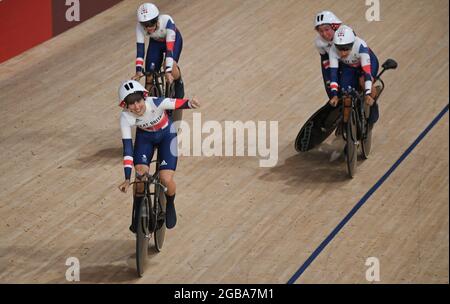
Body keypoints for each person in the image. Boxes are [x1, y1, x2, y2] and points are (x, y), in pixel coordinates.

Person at [117, 80, 200, 231]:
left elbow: (176, 103)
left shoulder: (155, 102)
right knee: (140, 177)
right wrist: (127, 178)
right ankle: (137, 214)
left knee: (165, 179)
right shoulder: (125, 117)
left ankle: (170, 203)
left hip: (167, 137)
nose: (136, 106)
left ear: (144, 98)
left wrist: (190, 103)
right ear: (125, 105)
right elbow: (128, 149)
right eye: (131, 104)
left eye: (138, 101)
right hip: (145, 139)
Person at [132, 2, 185, 123]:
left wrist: (168, 71)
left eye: (151, 23)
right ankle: (149, 114)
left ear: (157, 19)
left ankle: (178, 81)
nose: (148, 27)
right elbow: (140, 50)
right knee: (149, 76)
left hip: (173, 41)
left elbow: (170, 49)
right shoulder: (140, 28)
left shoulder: (167, 21)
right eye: (145, 25)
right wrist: (139, 70)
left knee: (170, 65)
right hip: (156, 43)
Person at [328, 25, 380, 125]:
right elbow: (333, 74)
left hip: (367, 64)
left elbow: (367, 73)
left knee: (363, 81)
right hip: (349, 66)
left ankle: (374, 106)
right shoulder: (333, 50)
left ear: (352, 44)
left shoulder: (361, 46)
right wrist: (334, 95)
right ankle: (346, 125)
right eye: (339, 49)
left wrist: (368, 94)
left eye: (346, 49)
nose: (342, 53)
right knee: (345, 94)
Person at [313, 11, 343, 99]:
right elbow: (324, 59)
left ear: (334, 27)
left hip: (349, 60)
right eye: (321, 31)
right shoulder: (319, 42)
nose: (325, 34)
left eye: (327, 29)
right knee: (331, 88)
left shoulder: (345, 34)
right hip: (332, 61)